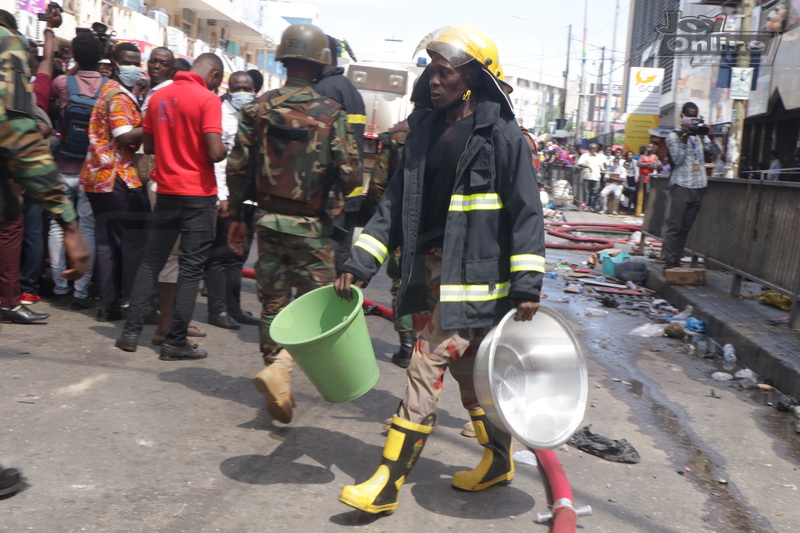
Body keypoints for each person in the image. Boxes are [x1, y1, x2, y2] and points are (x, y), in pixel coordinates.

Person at [333, 23, 544, 514]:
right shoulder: (423, 132)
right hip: (430, 268)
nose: (433, 78)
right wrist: (361, 260)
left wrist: (527, 284)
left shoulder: (502, 136)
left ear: (473, 77)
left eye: (445, 70)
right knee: (471, 370)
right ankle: (498, 461)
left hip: (475, 277)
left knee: (426, 362)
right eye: (430, 67)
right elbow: (392, 208)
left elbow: (526, 211)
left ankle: (386, 483)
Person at [226, 23, 361, 423]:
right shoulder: (331, 113)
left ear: (284, 60)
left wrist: (236, 216)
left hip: (267, 222)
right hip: (313, 229)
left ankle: (276, 372)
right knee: (321, 312)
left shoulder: (257, 108)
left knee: (272, 305)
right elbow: (352, 173)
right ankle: (283, 368)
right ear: (321, 65)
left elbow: (237, 167)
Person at [116, 53, 227, 360]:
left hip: (165, 191)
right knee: (191, 269)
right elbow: (215, 151)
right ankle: (174, 342)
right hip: (198, 195)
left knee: (152, 261)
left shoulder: (160, 97)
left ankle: (130, 333)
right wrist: (227, 148)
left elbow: (148, 146)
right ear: (214, 75)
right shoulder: (208, 100)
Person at [80, 42, 149, 322]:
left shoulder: (110, 90)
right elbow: (123, 135)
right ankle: (131, 302)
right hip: (116, 176)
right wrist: (153, 124)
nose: (133, 66)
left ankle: (109, 303)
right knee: (129, 241)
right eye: (127, 61)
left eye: (136, 61)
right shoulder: (117, 95)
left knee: (108, 242)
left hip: (99, 175)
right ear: (114, 61)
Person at [49, 31, 107, 310]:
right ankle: (81, 292)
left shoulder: (62, 82)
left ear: (74, 56)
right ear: (101, 57)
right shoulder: (109, 87)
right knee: (87, 229)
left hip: (62, 166)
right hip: (91, 172)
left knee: (57, 226)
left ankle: (59, 285)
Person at [205, 71, 260, 330]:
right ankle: (217, 310)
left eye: (246, 88)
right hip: (226, 196)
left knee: (239, 255)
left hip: (250, 199)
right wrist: (222, 196)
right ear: (229, 89)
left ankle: (234, 307)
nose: (242, 93)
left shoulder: (257, 116)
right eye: (237, 88)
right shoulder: (219, 114)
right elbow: (217, 160)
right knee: (219, 255)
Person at [314, 34, 367, 275]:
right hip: (350, 191)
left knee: (326, 262)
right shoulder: (350, 89)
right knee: (342, 259)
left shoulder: (324, 90)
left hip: (332, 196)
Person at [366, 120, 414, 368]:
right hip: (440, 225)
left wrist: (385, 216)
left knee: (401, 282)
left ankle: (407, 347)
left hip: (402, 220)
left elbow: (377, 183)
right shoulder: (454, 129)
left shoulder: (398, 136)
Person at [663, 102, 721, 270]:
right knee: (675, 227)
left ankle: (677, 260)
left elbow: (717, 152)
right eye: (690, 116)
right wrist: (685, 137)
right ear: (682, 117)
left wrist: (710, 136)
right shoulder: (674, 136)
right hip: (681, 185)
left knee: (686, 228)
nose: (693, 120)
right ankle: (670, 264)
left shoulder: (699, 136)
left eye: (696, 117)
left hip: (698, 185)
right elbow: (678, 159)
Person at [577, 143, 603, 210]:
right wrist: (587, 166)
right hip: (587, 176)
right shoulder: (585, 155)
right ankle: (585, 206)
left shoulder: (599, 157)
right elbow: (579, 163)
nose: (593, 150)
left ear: (597, 149)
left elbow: (603, 167)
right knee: (587, 193)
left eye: (595, 148)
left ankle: (591, 207)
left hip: (596, 177)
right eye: (592, 148)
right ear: (589, 149)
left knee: (594, 193)